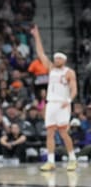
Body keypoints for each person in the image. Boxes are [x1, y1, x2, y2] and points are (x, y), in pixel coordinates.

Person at [31, 25, 78, 171]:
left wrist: (69, 100)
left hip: (63, 103)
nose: (56, 59)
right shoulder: (51, 69)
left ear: (64, 60)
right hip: (51, 103)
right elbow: (41, 53)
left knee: (63, 132)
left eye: (59, 58)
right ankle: (50, 161)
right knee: (50, 132)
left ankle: (72, 159)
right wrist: (36, 36)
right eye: (55, 57)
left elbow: (74, 89)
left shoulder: (69, 72)